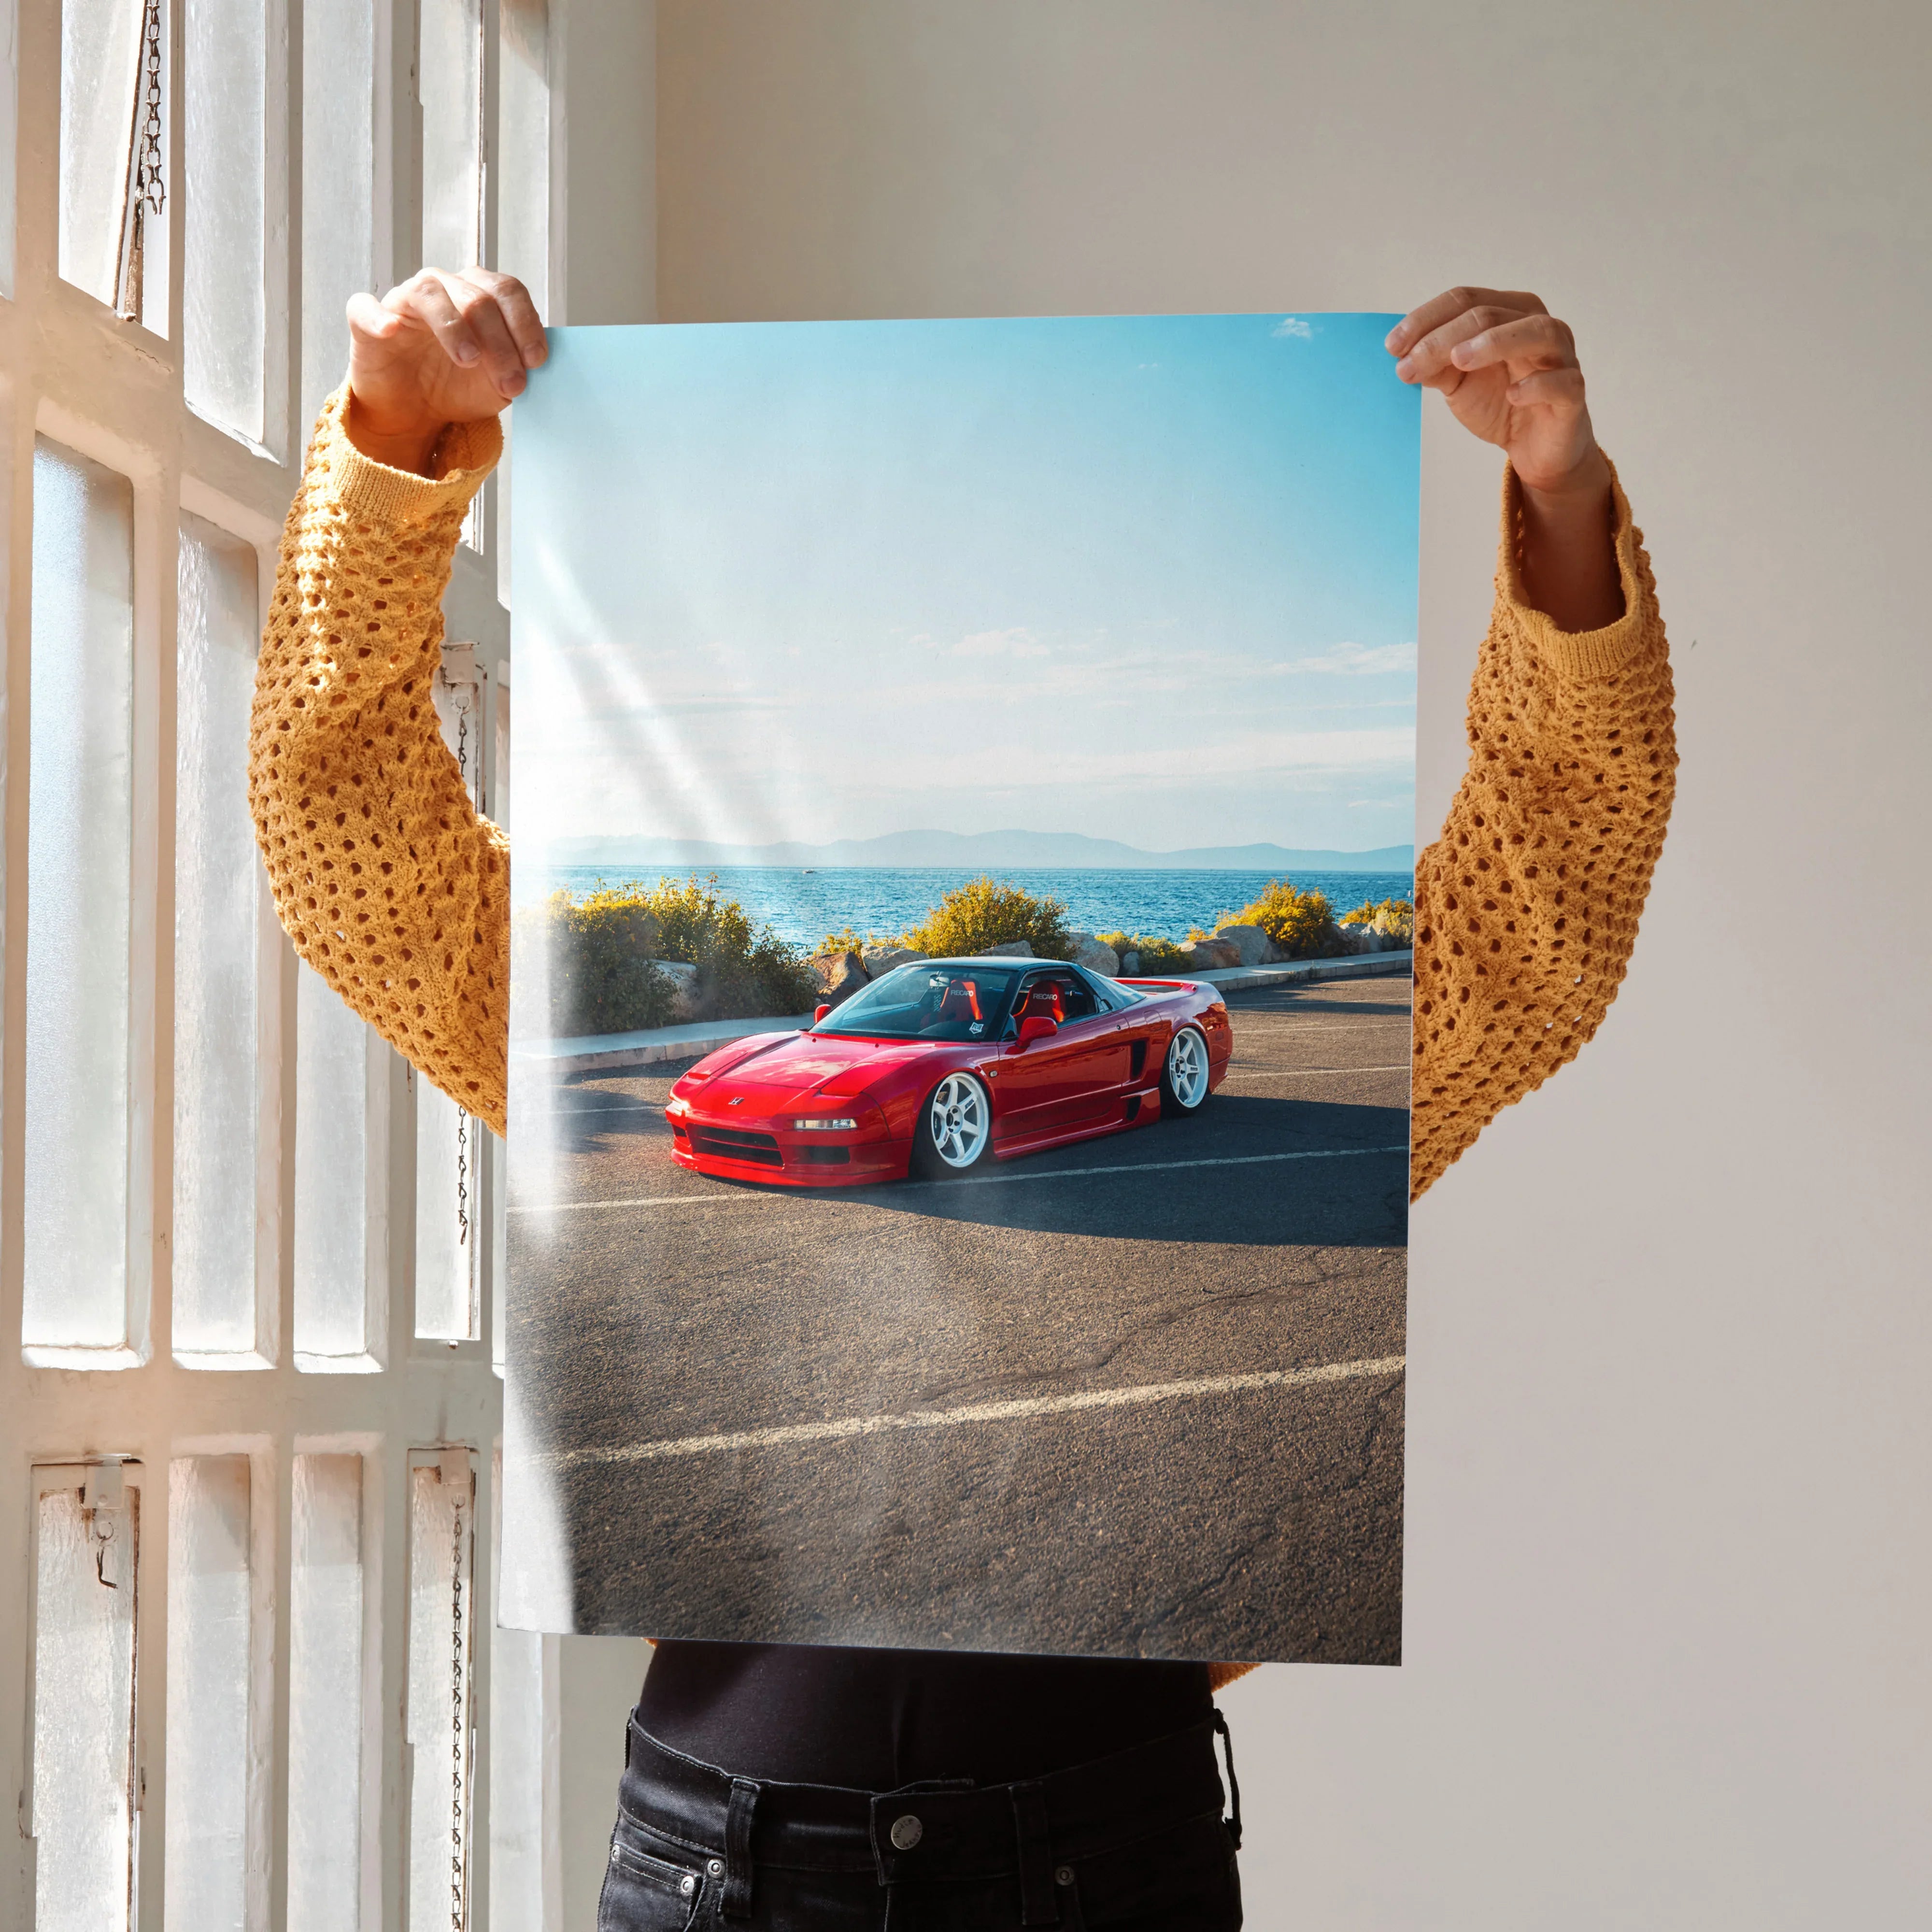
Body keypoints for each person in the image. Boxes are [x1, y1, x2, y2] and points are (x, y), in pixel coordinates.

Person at [250, 274, 1674, 1929]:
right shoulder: (665, 1030)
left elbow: (1542, 912)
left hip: (1105, 1855)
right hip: (725, 1866)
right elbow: (347, 843)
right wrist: (392, 445)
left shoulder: (1199, 1087)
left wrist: (1563, 494)